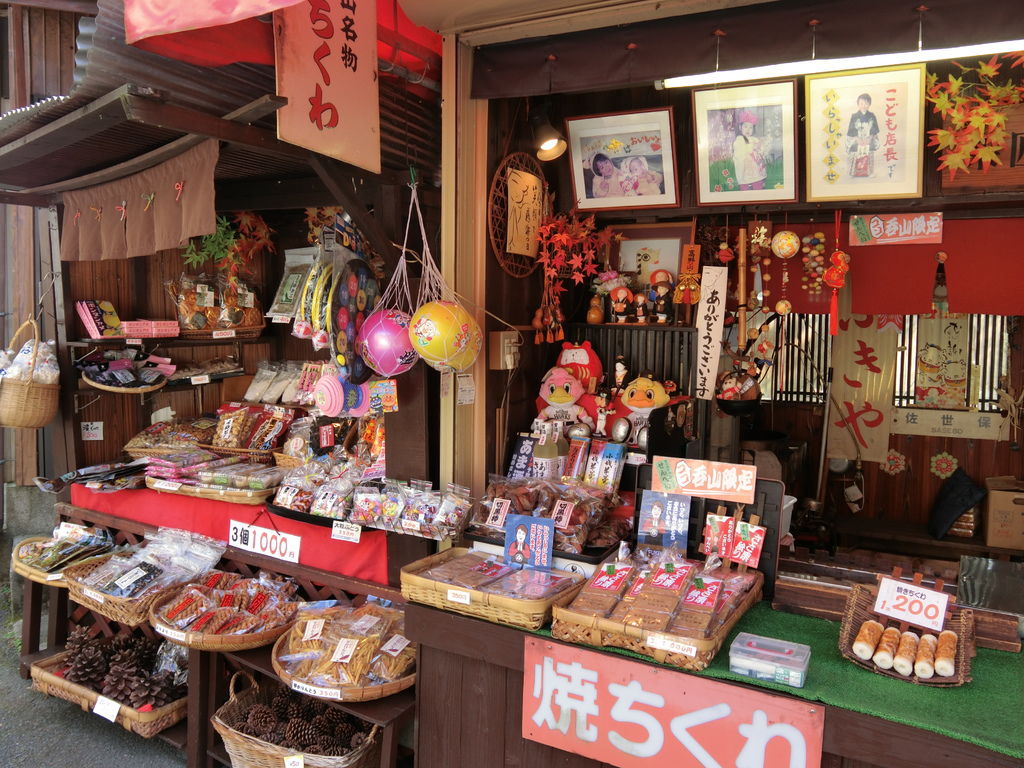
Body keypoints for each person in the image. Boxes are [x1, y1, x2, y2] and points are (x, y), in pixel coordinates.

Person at [732, 110, 767, 190]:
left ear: (753, 129)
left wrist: (760, 147)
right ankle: (744, 190)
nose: (748, 130)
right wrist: (751, 148)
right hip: (746, 167)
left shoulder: (754, 139)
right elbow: (739, 154)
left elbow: (760, 150)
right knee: (744, 182)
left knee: (757, 181)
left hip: (755, 167)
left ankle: (759, 188)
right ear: (740, 127)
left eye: (750, 127)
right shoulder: (740, 140)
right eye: (745, 127)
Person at [846, 93, 879, 178]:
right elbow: (851, 130)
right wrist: (857, 139)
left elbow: (874, 129)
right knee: (854, 152)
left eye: (866, 103)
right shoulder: (854, 116)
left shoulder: (872, 116)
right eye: (861, 103)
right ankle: (853, 172)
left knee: (870, 151)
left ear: (869, 104)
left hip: (868, 138)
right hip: (857, 139)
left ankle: (869, 172)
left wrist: (870, 138)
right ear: (858, 104)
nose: (863, 105)